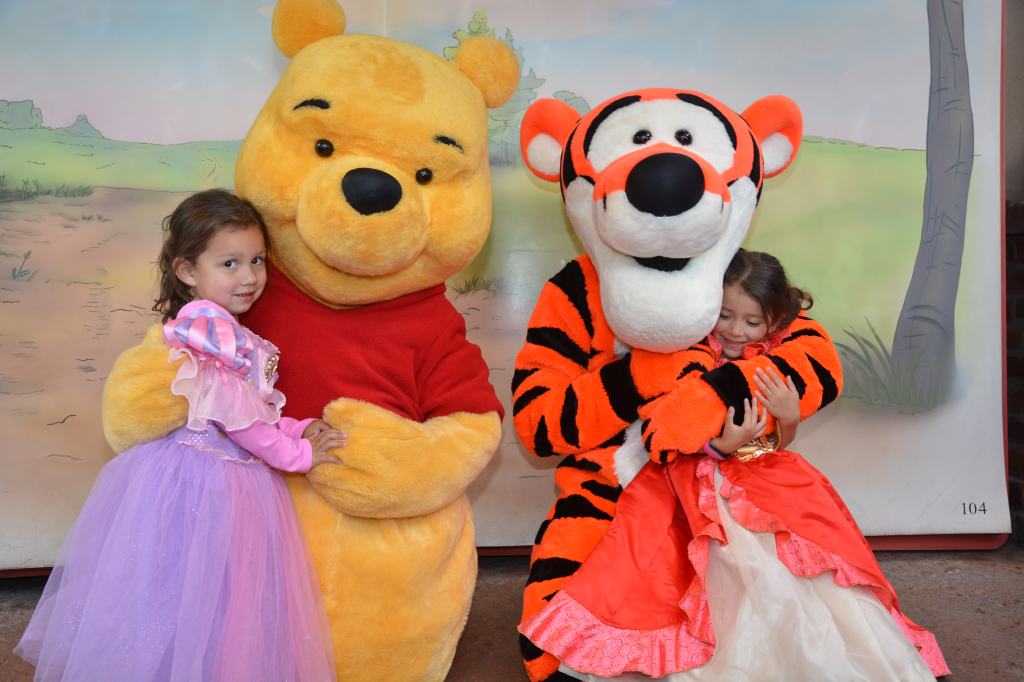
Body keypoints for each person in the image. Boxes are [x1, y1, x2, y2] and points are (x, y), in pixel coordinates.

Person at [519, 249, 949, 680]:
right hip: (692, 482)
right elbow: (667, 434)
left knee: (787, 571)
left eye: (751, 322)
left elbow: (769, 446)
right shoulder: (687, 348)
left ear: (772, 321)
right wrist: (721, 446)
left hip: (757, 481)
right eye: (725, 315)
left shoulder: (767, 362)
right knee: (685, 573)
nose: (736, 331)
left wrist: (788, 418)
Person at [14, 189, 345, 682]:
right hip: (204, 479)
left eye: (256, 260)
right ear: (187, 271)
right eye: (230, 263)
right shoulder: (209, 332)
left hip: (222, 475)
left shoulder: (227, 330)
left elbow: (248, 407)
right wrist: (299, 455)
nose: (250, 276)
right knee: (191, 591)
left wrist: (297, 426)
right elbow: (242, 423)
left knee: (201, 594)